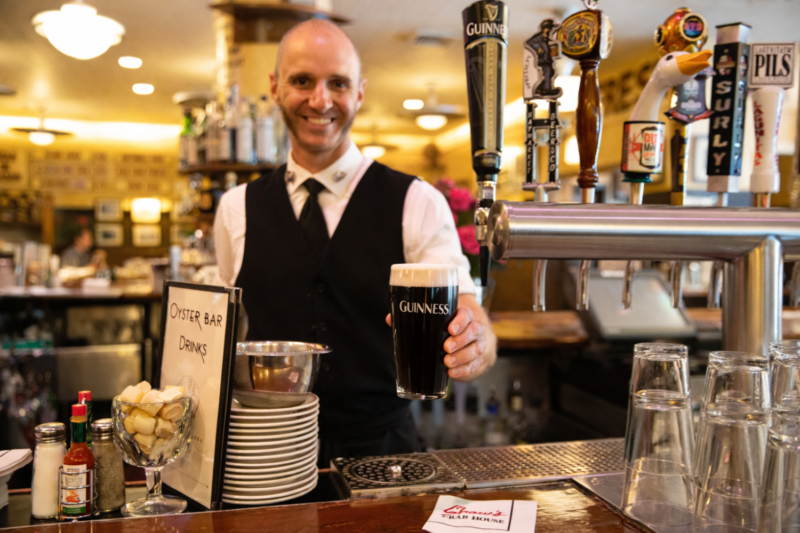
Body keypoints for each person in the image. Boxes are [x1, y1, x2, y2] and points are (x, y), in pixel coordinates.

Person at [214, 19, 497, 463]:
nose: (320, 100)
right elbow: (229, 331)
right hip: (267, 454)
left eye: (338, 83)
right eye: (302, 81)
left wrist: (476, 342)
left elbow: (466, 305)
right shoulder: (235, 207)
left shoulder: (417, 200)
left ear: (360, 92)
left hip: (384, 452)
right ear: (274, 87)